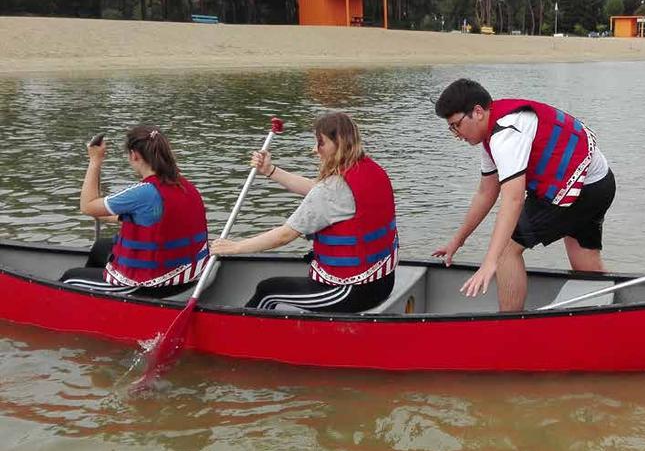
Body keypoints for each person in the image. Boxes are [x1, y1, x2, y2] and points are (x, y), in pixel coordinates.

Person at [432, 79, 615, 311]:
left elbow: (514, 199)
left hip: (583, 188)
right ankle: (606, 317)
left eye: (456, 125)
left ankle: (509, 328)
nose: (455, 134)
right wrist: (457, 241)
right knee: (584, 261)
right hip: (597, 181)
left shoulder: (505, 135)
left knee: (506, 250)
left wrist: (491, 261)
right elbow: (486, 193)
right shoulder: (494, 131)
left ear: (477, 112)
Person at [211, 112, 397, 313]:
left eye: (320, 143)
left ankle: (240, 338)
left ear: (339, 143)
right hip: (382, 280)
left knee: (268, 291)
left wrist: (235, 247)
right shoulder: (369, 170)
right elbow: (316, 188)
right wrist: (270, 170)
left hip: (350, 290)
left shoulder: (333, 188)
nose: (315, 150)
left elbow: (285, 235)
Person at [62, 126, 209, 298]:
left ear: (134, 155)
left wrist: (95, 161)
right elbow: (156, 220)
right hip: (188, 273)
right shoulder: (183, 185)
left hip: (154, 283)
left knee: (69, 280)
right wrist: (111, 217)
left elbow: (86, 206)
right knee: (100, 247)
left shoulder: (143, 192)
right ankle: (100, 300)